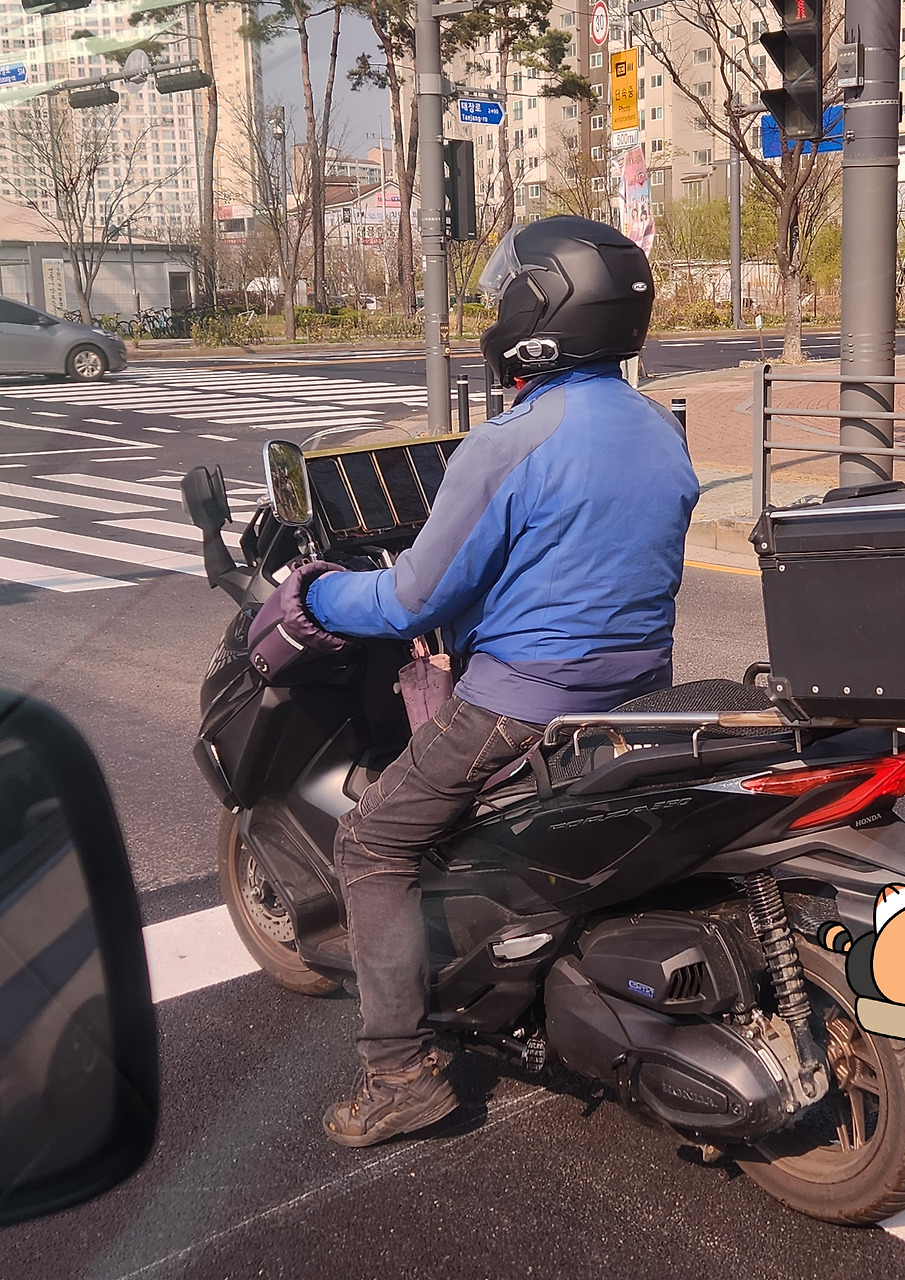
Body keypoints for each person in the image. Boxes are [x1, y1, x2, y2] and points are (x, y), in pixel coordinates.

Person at [299, 215, 701, 1147]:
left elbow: (410, 598)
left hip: (522, 706)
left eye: (503, 298)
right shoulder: (659, 425)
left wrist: (315, 593)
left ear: (536, 312)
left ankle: (398, 1074)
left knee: (371, 841)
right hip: (644, 693)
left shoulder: (509, 442)